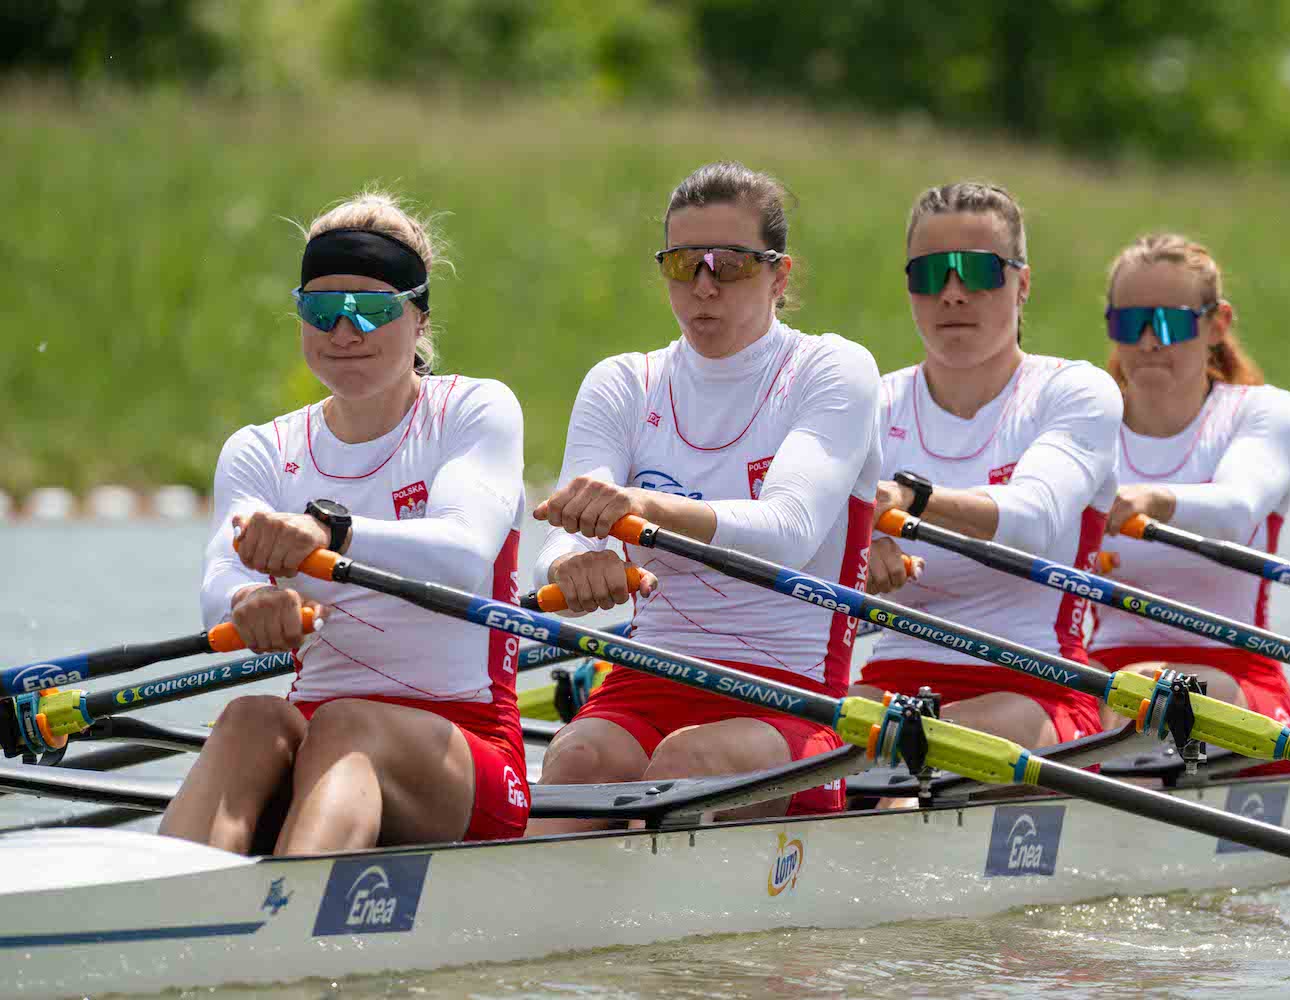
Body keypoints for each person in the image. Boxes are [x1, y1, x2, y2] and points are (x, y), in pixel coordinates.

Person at [161, 191, 530, 855]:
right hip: (317, 734)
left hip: (471, 750)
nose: (344, 332)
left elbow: (463, 554)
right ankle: (175, 899)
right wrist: (247, 601)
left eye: (372, 309)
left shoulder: (473, 411)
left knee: (347, 724)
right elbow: (221, 577)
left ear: (419, 317)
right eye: (322, 309)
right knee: (249, 717)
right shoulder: (261, 449)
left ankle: (285, 909)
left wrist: (329, 533)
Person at [528, 162, 881, 833]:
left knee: (687, 762)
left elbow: (789, 529)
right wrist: (570, 565)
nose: (704, 284)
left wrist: (643, 507)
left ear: (779, 276)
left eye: (731, 264)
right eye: (683, 263)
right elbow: (565, 531)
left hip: (790, 696)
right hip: (645, 678)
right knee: (577, 758)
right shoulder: (622, 384)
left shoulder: (831, 369)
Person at [851, 182, 1122, 750]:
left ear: (1022, 283)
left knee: (912, 746)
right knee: (825, 744)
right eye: (931, 274)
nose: (952, 294)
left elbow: (1034, 517)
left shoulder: (1075, 392)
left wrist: (911, 500)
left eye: (977, 271)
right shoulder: (872, 405)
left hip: (1040, 686)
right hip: (893, 682)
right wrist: (857, 557)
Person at [1090, 233, 1290, 735]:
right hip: (1103, 675)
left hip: (1237, 676)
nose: (1148, 342)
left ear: (1217, 324)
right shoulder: (1085, 426)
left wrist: (1151, 499)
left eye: (1169, 322)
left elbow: (1236, 509)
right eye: (1130, 323)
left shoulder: (1263, 413)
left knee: (1140, 691)